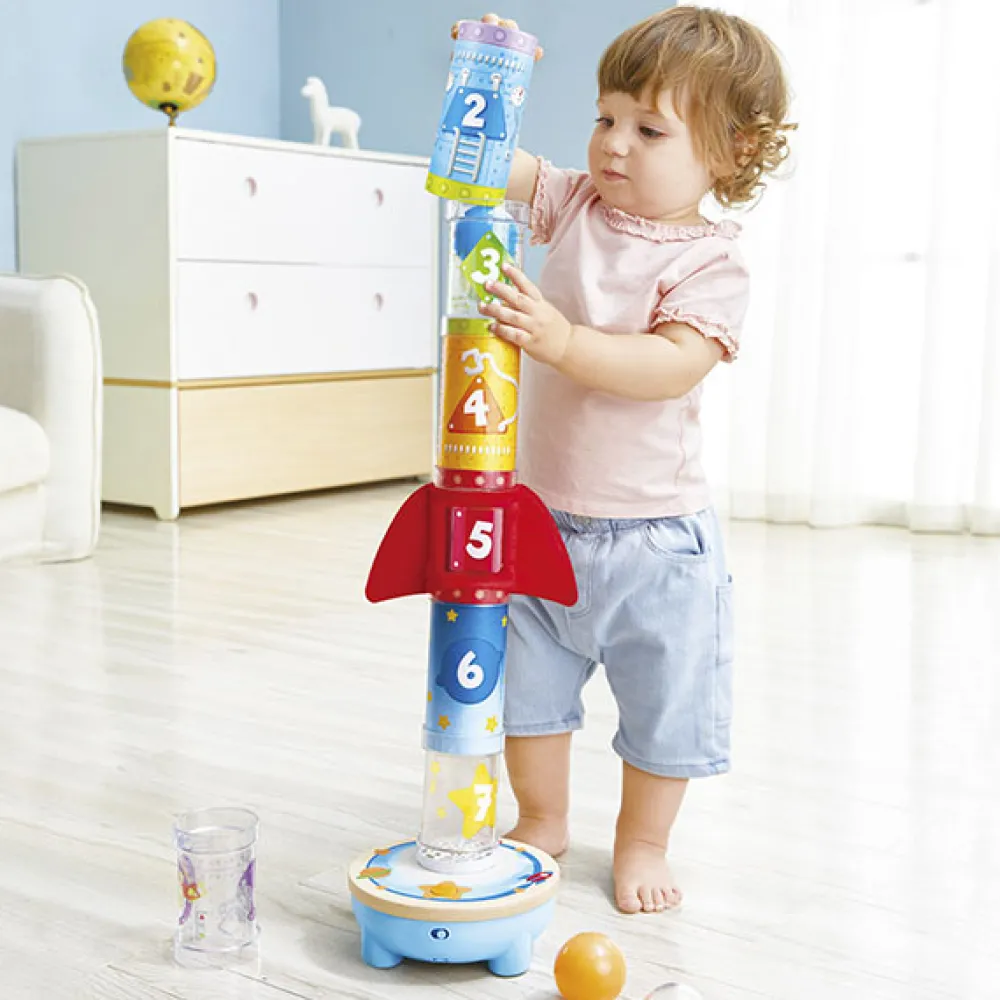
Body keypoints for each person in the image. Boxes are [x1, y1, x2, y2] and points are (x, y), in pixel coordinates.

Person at [464, 7, 795, 913]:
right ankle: (542, 820)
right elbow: (477, 163)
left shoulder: (711, 261)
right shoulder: (574, 202)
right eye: (606, 116)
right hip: (541, 522)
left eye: (650, 130)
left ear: (730, 152)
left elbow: (669, 366)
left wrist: (565, 341)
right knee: (526, 695)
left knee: (664, 708)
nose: (614, 143)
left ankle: (643, 841)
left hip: (657, 545)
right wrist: (485, 78)